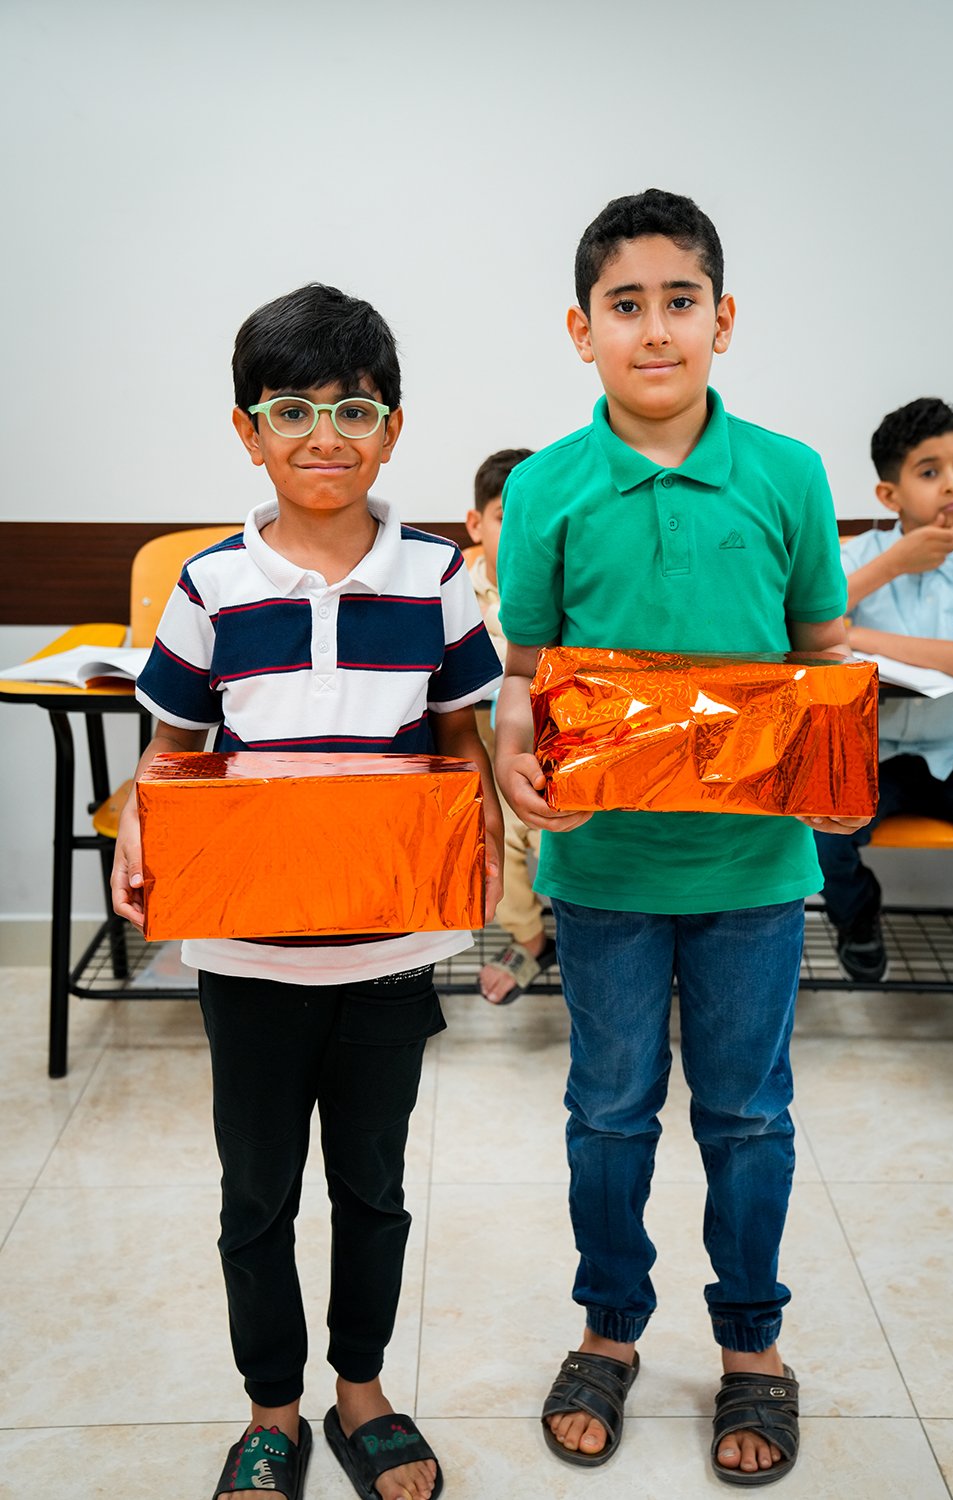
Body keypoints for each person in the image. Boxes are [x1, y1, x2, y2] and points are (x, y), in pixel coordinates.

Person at [493, 189, 868, 1485]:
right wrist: (511, 750)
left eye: (679, 301)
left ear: (723, 318)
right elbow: (526, 670)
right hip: (602, 868)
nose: (654, 330)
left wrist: (838, 770)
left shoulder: (789, 474)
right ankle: (609, 1327)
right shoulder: (544, 486)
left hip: (753, 872)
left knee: (748, 1115)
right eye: (625, 305)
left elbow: (820, 655)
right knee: (608, 1112)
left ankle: (753, 1346)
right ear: (581, 330)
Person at [110, 282, 504, 1500]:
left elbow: (461, 739)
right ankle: (271, 1410)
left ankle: (362, 1392)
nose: (323, 436)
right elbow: (172, 750)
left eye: (352, 410)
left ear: (392, 430)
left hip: (389, 950)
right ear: (248, 431)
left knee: (372, 1190)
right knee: (256, 1197)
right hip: (249, 955)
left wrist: (489, 828)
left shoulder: (434, 576)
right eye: (291, 410)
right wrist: (137, 827)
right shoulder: (211, 586)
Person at [814, 397, 953, 985]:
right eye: (929, 471)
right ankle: (857, 918)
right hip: (880, 753)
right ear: (889, 495)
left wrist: (859, 634)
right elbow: (809, 622)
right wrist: (893, 564)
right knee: (821, 828)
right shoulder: (862, 557)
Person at [465, 447, 559, 1003]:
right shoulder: (456, 592)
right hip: (481, 765)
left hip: (550, 762)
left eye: (534, 518)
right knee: (489, 848)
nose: (521, 532)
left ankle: (582, 939)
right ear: (476, 524)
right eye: (505, 517)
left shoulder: (561, 591)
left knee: (559, 842)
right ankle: (531, 939)